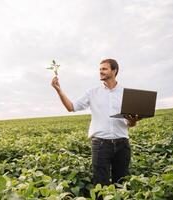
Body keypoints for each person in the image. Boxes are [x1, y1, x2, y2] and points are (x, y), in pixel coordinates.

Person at [51, 58, 140, 186]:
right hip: (101, 145)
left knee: (121, 182)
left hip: (122, 144)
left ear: (114, 71)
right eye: (100, 69)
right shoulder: (92, 92)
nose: (101, 72)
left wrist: (133, 121)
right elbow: (71, 107)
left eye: (104, 69)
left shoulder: (126, 93)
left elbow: (130, 123)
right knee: (100, 184)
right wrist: (58, 90)